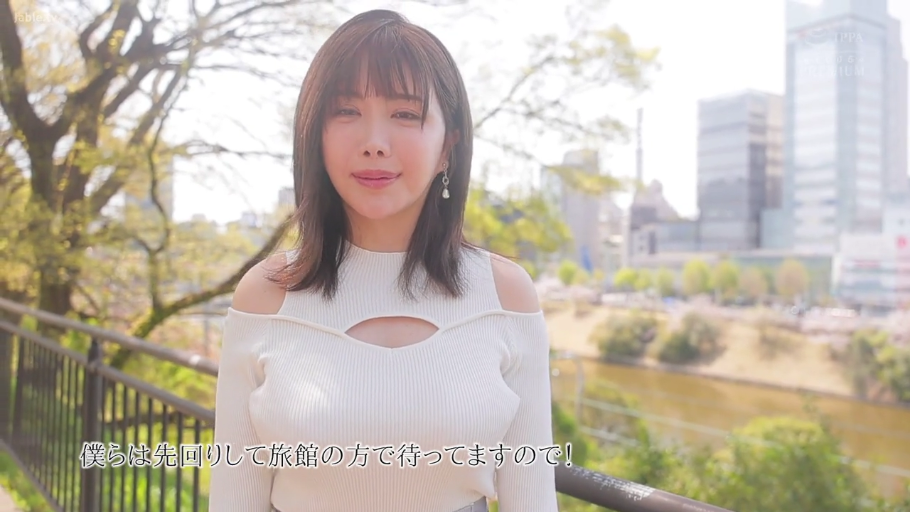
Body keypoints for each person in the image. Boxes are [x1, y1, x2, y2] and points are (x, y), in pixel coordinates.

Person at [208, 8, 559, 512]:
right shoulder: (266, 295)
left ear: (447, 147)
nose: (374, 144)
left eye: (405, 114)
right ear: (315, 135)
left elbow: (533, 499)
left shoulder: (505, 296)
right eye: (346, 111)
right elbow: (232, 498)